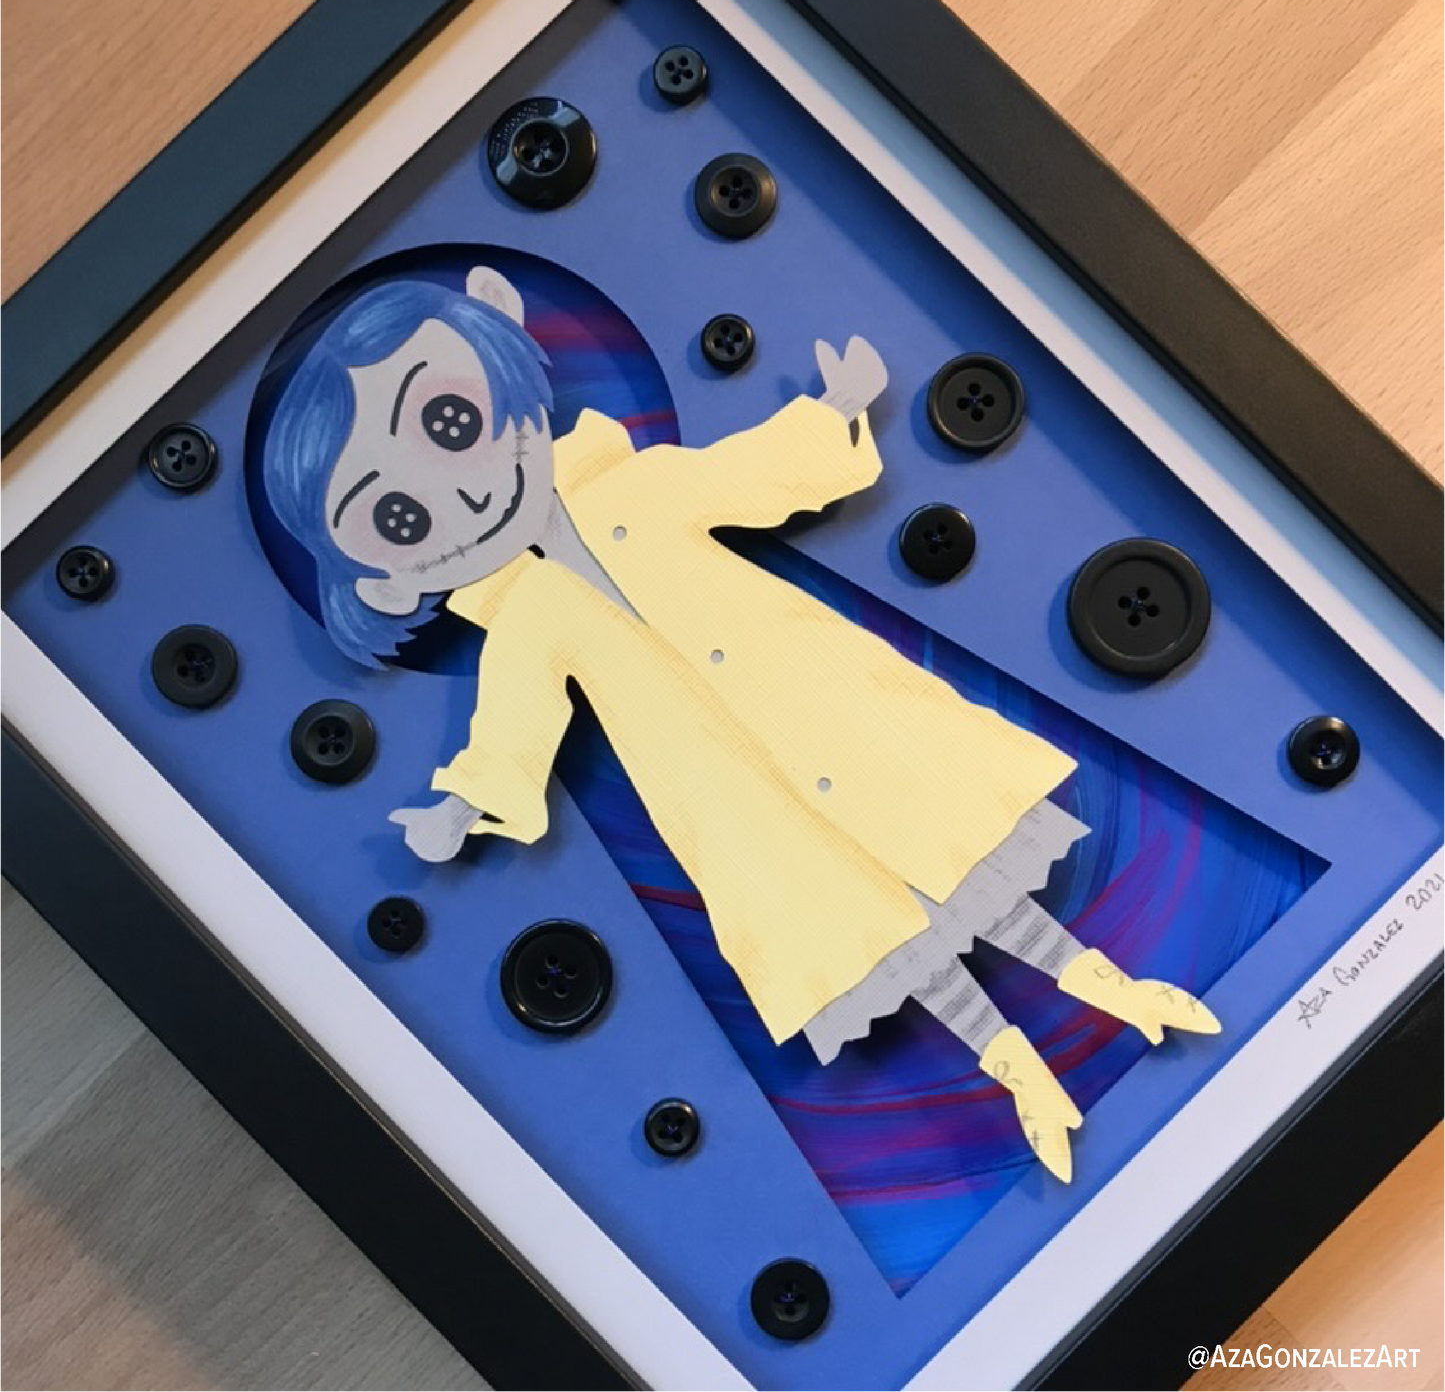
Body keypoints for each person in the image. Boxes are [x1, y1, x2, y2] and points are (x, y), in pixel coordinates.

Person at [264, 264, 1220, 1181]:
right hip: (730, 805)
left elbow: (743, 477)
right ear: (386, 579)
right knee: (877, 931)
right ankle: (1021, 1077)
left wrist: (832, 416)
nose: (463, 493)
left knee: (955, 857)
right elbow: (512, 729)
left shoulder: (636, 487)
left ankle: (1114, 989)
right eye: (399, 517)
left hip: (830, 705)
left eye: (451, 421)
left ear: (503, 344)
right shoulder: (523, 623)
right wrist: (466, 804)